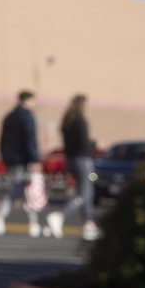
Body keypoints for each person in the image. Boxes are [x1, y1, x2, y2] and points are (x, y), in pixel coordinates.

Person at [0, 90, 42, 236]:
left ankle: (34, 224)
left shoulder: (9, 116)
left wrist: (6, 157)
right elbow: (30, 140)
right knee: (18, 188)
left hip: (12, 158)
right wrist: (35, 159)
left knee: (25, 190)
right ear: (27, 100)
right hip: (23, 159)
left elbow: (2, 140)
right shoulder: (27, 117)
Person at [52, 94, 99, 241]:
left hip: (70, 159)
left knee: (86, 191)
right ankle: (60, 214)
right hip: (82, 160)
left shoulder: (67, 121)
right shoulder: (80, 121)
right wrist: (94, 145)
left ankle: (88, 224)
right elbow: (84, 143)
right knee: (85, 193)